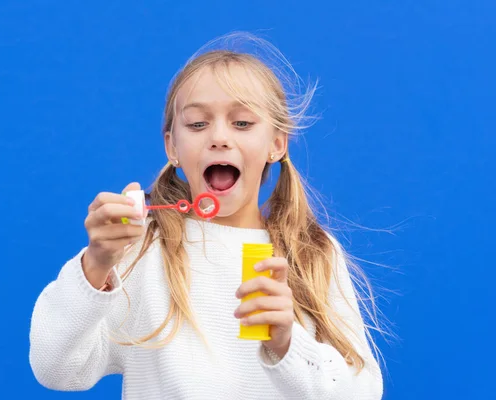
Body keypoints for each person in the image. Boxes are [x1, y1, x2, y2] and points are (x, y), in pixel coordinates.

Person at [29, 33, 384, 399]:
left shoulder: (313, 254)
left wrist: (287, 343)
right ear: (173, 147)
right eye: (197, 124)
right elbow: (56, 368)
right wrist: (96, 266)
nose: (218, 138)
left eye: (242, 123)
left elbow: (363, 392)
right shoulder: (142, 248)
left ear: (276, 144)